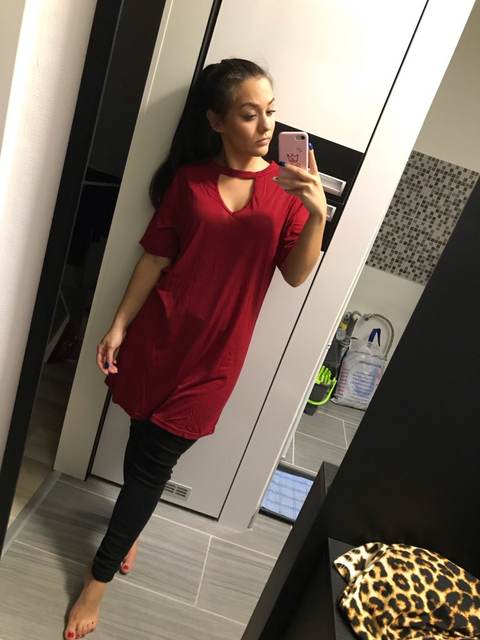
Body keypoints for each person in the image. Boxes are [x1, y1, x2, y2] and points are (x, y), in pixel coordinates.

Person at [63, 57, 327, 639]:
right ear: (216, 120)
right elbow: (155, 259)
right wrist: (118, 325)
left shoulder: (285, 192)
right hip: (159, 339)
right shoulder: (189, 182)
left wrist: (317, 215)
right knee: (140, 442)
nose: (266, 126)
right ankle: (127, 532)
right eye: (249, 114)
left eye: (271, 112)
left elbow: (295, 275)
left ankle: (97, 578)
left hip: (215, 360)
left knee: (154, 466)